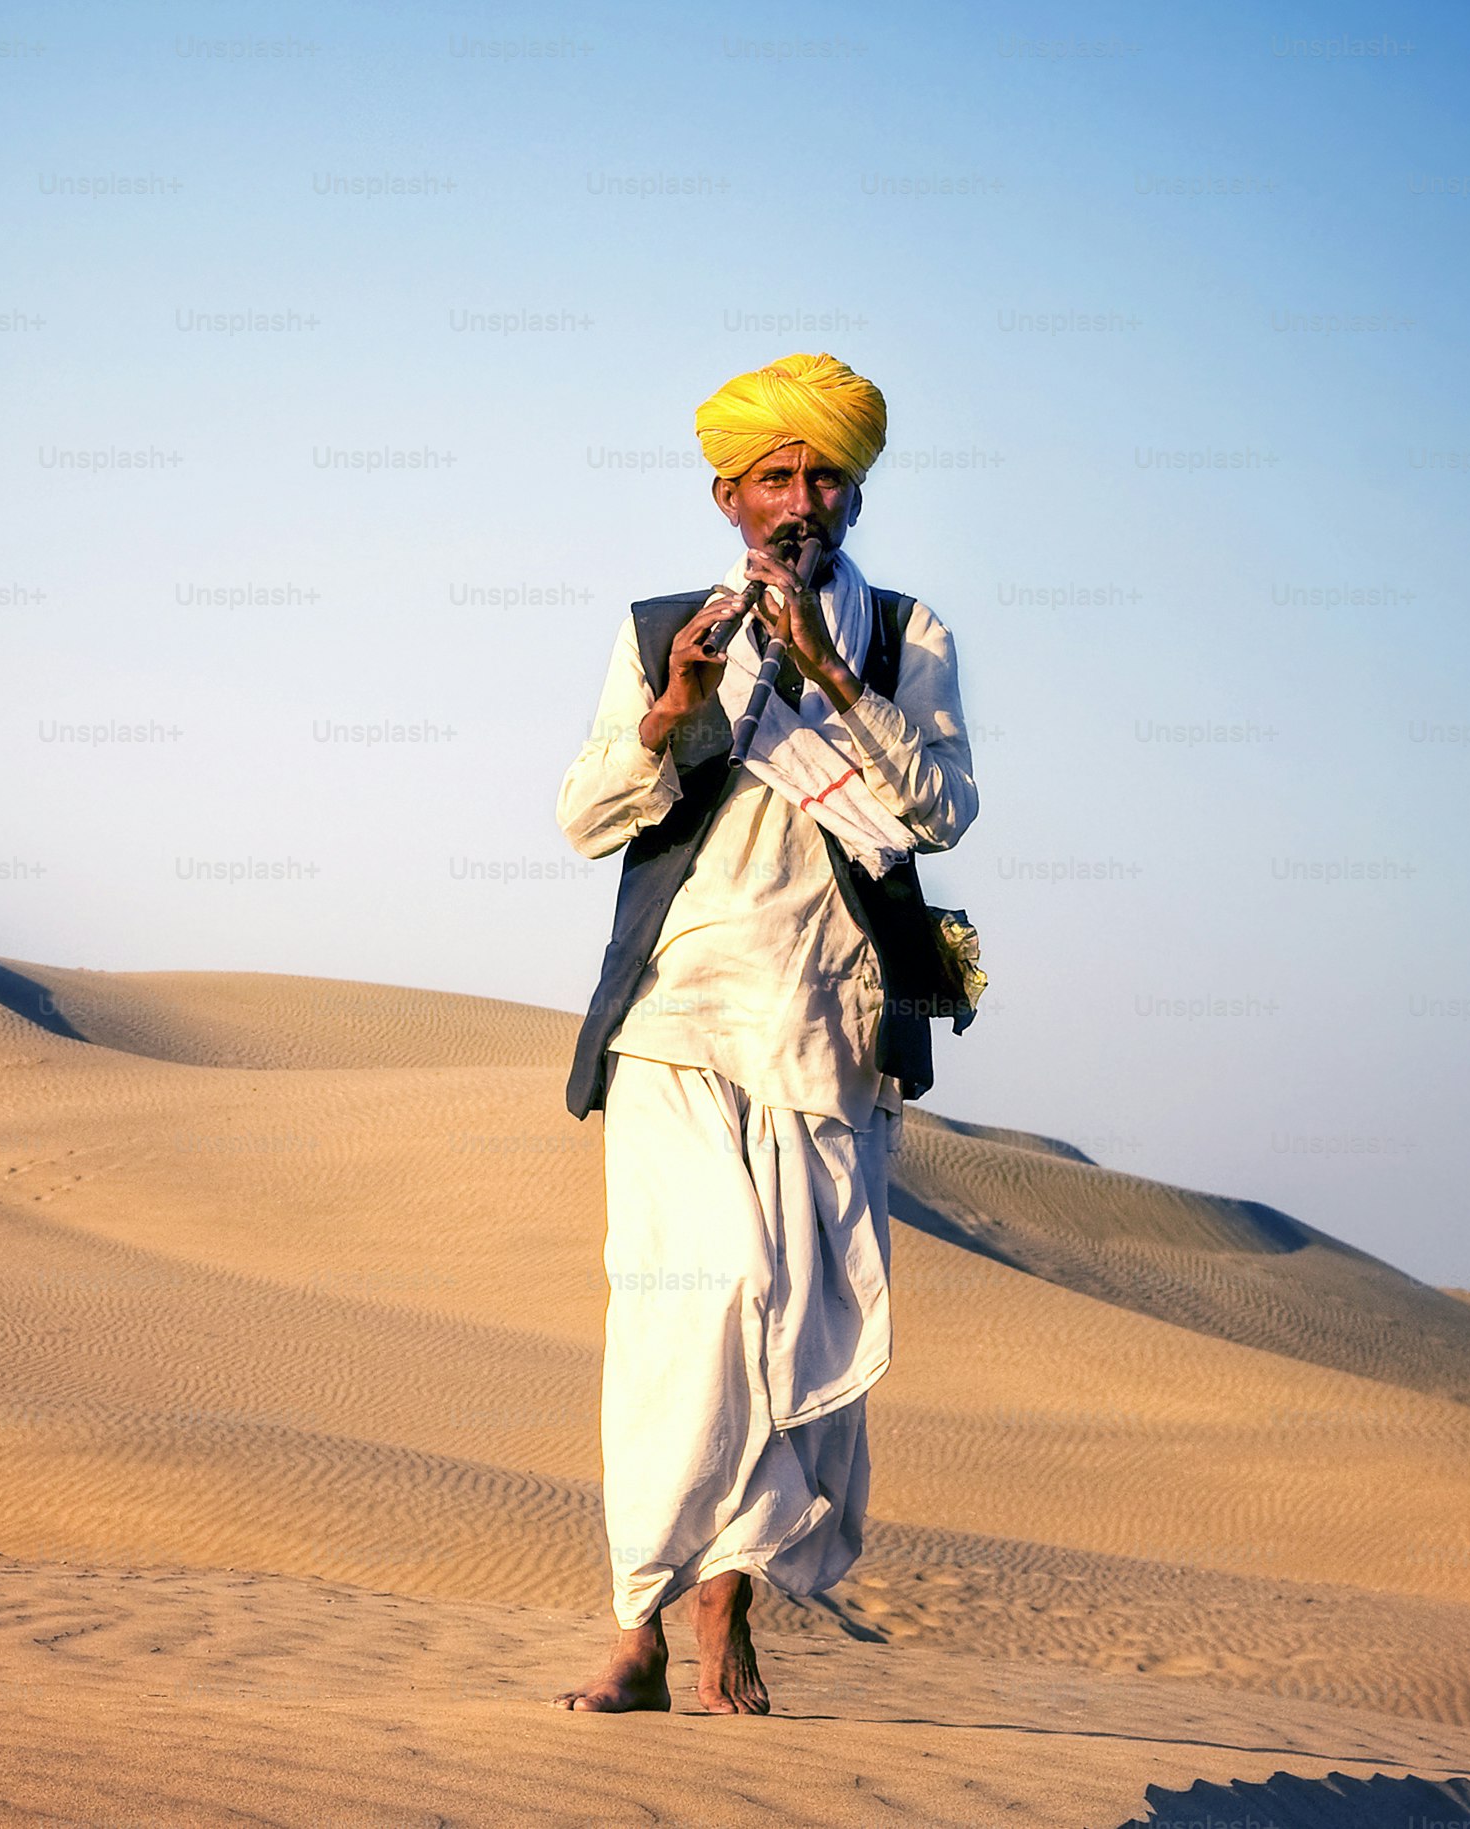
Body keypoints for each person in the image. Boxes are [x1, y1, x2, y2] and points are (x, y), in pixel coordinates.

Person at [550, 353, 978, 1714]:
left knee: (788, 1329)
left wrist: (831, 682)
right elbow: (586, 816)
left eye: (823, 473)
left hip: (830, 1028)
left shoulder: (907, 638)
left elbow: (938, 813)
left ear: (852, 489)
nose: (801, 497)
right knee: (695, 1303)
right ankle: (637, 1625)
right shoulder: (663, 629)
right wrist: (680, 703)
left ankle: (726, 1609)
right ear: (727, 493)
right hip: (678, 1016)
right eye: (774, 476)